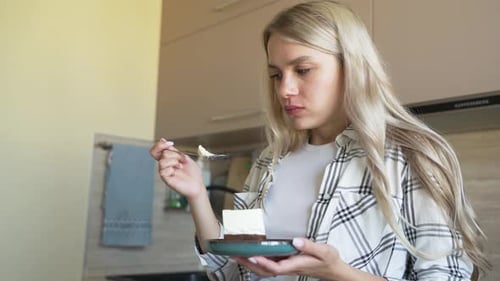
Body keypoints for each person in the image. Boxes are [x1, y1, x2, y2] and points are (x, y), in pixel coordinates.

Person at [150, 1, 490, 280]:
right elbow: (231, 270)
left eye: (303, 70)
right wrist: (196, 193)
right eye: (276, 75)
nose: (285, 89)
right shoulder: (272, 159)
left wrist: (337, 272)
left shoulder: (412, 155)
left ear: (352, 67)